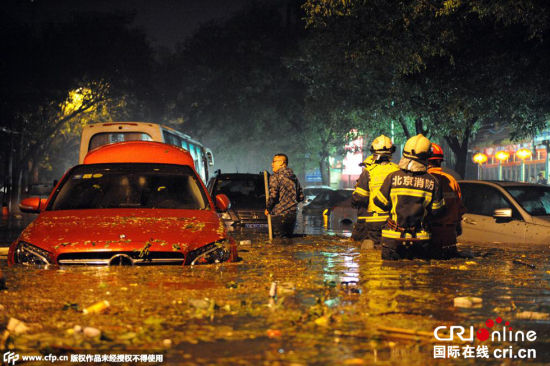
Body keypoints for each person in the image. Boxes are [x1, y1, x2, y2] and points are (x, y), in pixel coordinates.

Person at [373, 134, 445, 260]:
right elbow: (437, 211)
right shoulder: (433, 182)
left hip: (392, 238)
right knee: (419, 276)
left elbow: (379, 202)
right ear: (427, 156)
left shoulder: (392, 177)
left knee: (390, 276)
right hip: (420, 240)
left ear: (404, 153)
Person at [351, 135, 399, 247]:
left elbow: (359, 198)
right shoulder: (398, 171)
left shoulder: (369, 172)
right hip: (393, 222)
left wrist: (353, 199)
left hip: (374, 221)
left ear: (373, 152)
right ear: (391, 152)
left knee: (370, 255)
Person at [427, 143, 466, 259]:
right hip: (450, 234)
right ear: (440, 161)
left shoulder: (425, 179)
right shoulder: (451, 180)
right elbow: (460, 208)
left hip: (431, 233)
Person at [265, 153, 304, 237]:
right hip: (292, 215)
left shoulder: (275, 176)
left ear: (281, 162)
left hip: (279, 215)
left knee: (278, 242)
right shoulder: (293, 176)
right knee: (288, 241)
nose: (272, 164)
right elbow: (301, 196)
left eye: (274, 161)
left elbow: (273, 196)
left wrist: (268, 208)